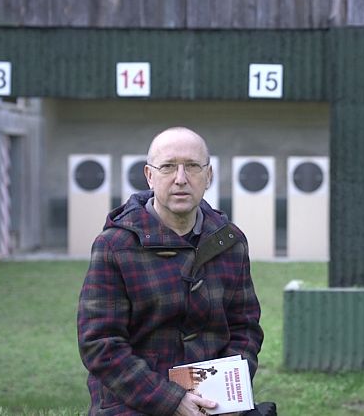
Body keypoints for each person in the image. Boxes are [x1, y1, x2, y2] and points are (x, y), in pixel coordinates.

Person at [78, 127, 263, 416]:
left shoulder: (230, 242)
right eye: (168, 167)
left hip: (213, 401)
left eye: (192, 166)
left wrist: (226, 391)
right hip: (133, 401)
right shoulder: (115, 245)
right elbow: (100, 344)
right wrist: (172, 400)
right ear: (149, 176)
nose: (181, 179)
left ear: (209, 175)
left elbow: (245, 328)